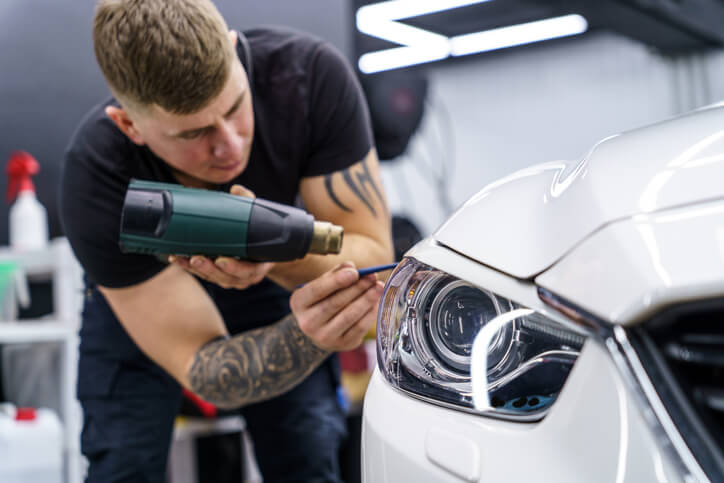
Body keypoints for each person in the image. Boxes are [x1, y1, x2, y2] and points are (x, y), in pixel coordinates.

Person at [58, 0, 393, 481]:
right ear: (129, 126)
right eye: (193, 133)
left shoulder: (309, 78)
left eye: (235, 107)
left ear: (236, 51)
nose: (229, 145)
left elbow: (372, 251)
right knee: (122, 462)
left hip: (278, 288)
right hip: (148, 307)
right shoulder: (100, 178)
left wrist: (268, 255)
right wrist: (305, 337)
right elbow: (205, 368)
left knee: (308, 453)